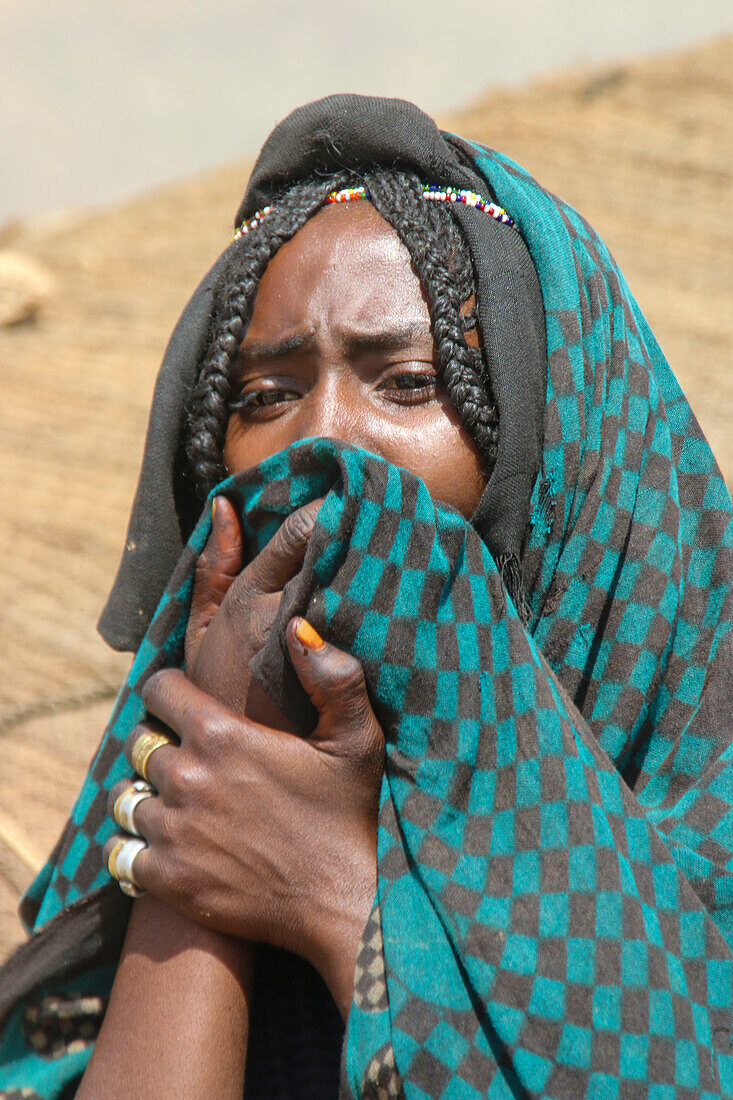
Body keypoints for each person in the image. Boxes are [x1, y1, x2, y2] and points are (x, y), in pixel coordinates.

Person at [0, 95, 730, 1099]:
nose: (323, 441)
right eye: (263, 397)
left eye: (407, 381)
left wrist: (335, 895)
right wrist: (209, 813)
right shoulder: (175, 817)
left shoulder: (702, 814)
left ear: (551, 461)